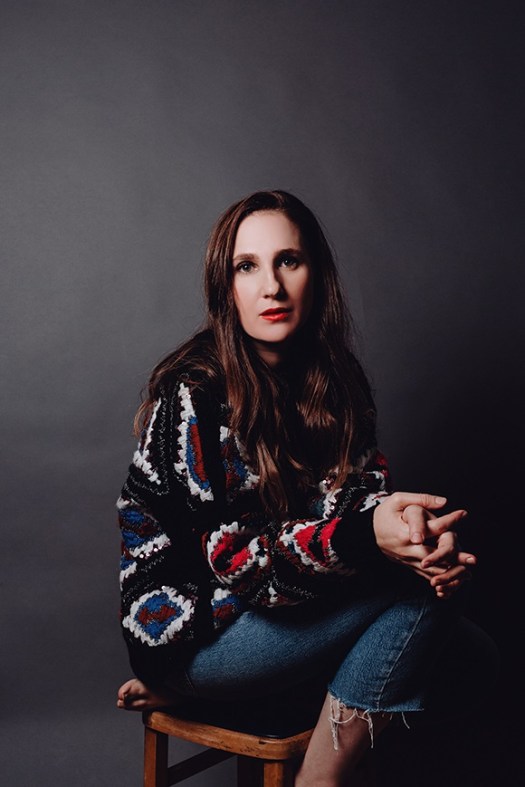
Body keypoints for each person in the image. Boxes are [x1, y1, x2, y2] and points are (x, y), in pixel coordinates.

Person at [116, 190, 497, 786]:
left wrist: (416, 538)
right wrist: (374, 542)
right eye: (247, 266)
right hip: (199, 635)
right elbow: (241, 567)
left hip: (288, 615)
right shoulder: (195, 396)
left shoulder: (337, 381)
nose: (271, 286)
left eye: (288, 261)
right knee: (415, 597)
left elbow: (357, 502)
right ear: (225, 287)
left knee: (475, 658)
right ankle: (316, 779)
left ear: (317, 274)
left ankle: (274, 698)